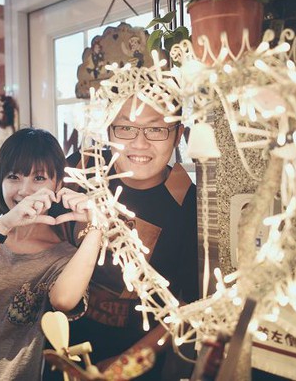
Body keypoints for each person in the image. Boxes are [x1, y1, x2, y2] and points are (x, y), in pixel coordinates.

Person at [0, 128, 104, 380]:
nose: (25, 190)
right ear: (0, 180)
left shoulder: (63, 255)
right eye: (13, 177)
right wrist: (3, 227)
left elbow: (64, 301)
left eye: (39, 178)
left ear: (58, 185)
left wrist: (96, 226)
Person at [61, 97, 199, 380]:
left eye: (156, 129)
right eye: (125, 128)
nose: (139, 143)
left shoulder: (188, 203)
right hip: (56, 346)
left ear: (178, 135)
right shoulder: (82, 169)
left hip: (136, 365)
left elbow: (189, 305)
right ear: (109, 130)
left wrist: (125, 365)